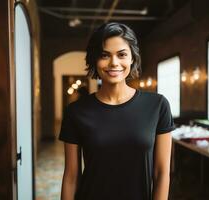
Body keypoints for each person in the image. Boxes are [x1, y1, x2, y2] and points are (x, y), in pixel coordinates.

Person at [59, 22, 175, 200]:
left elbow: (161, 173)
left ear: (132, 58)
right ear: (94, 60)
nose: (114, 63)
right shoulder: (76, 112)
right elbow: (71, 177)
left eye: (122, 55)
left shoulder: (157, 106)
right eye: (104, 55)